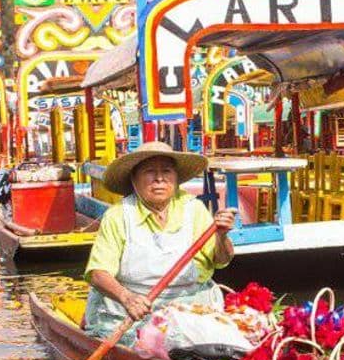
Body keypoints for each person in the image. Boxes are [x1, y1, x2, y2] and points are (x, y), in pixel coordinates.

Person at [83, 141, 237, 342]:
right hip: (130, 313)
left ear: (176, 178)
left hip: (188, 309)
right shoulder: (118, 215)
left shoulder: (194, 209)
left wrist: (222, 235)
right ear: (134, 180)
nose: (159, 179)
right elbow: (98, 273)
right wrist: (128, 298)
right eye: (149, 172)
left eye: (166, 171)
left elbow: (221, 259)